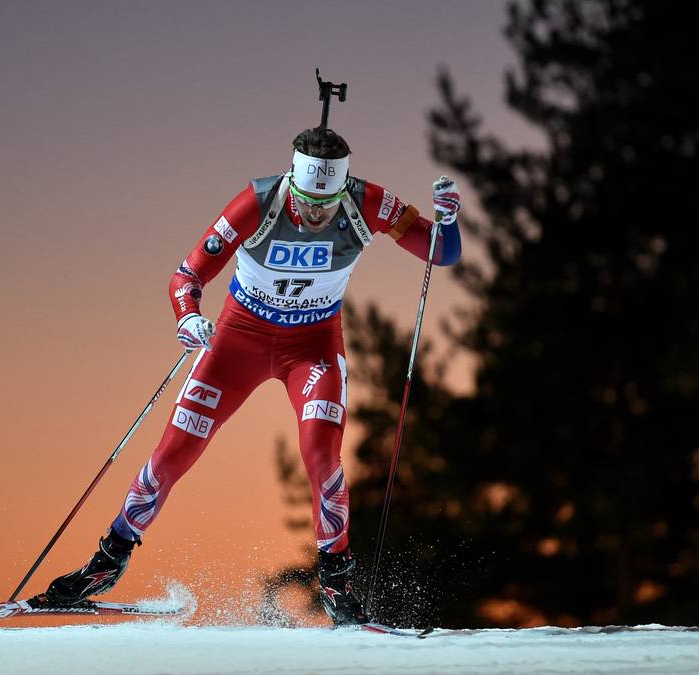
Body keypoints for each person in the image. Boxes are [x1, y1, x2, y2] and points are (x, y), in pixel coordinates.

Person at [40, 127, 462, 625]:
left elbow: (442, 253)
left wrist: (448, 221)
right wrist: (188, 317)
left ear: (343, 190)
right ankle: (106, 563)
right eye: (306, 203)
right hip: (239, 341)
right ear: (292, 183)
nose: (314, 216)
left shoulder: (367, 201)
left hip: (313, 347)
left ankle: (336, 580)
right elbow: (186, 277)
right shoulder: (257, 202)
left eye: (326, 205)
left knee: (321, 454)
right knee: (173, 452)